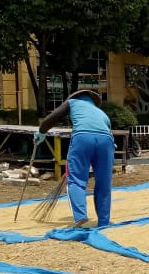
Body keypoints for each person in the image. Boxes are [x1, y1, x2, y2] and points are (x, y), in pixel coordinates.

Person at [33, 90, 114, 227]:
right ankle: (104, 222)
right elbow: (106, 131)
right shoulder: (102, 113)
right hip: (106, 141)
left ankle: (80, 216)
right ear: (93, 101)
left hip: (83, 138)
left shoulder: (72, 103)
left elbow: (50, 119)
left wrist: (41, 132)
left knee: (76, 180)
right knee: (104, 183)